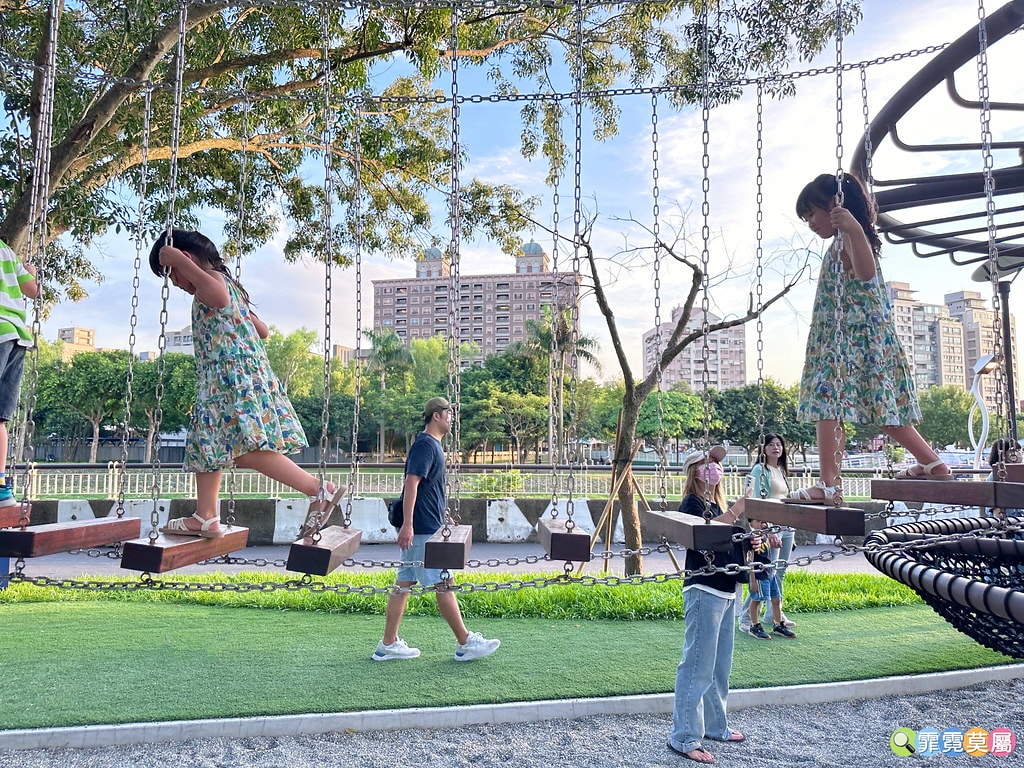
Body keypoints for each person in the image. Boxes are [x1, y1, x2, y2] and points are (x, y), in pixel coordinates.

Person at [148, 229, 341, 538]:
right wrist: (241, 317)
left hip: (227, 381)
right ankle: (207, 515)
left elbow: (218, 297)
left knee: (239, 448)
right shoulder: (230, 289)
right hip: (239, 378)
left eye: (173, 275)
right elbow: (261, 330)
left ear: (185, 259)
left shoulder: (210, 286)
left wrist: (183, 266)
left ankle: (317, 490)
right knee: (205, 443)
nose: (177, 283)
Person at [789, 173, 950, 504]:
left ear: (836, 206)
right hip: (854, 338)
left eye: (811, 213)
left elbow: (864, 273)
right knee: (880, 408)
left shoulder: (849, 236)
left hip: (850, 340)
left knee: (826, 405)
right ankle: (933, 463)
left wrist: (852, 228)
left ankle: (829, 487)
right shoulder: (845, 239)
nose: (809, 223)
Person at [374, 396, 500, 662]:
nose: (452, 418)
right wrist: (408, 524)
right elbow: (411, 484)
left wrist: (443, 516)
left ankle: (388, 643)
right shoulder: (425, 445)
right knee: (444, 582)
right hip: (421, 529)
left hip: (426, 524)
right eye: (449, 413)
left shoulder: (431, 445)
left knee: (403, 584)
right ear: (436, 416)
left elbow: (429, 489)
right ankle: (465, 642)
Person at [669, 445, 757, 764]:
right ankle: (684, 737)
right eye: (708, 463)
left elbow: (728, 540)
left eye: (718, 463)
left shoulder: (714, 503)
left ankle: (716, 726)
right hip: (704, 588)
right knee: (697, 666)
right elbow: (704, 535)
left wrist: (750, 540)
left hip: (725, 589)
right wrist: (738, 510)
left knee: (719, 667)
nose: (715, 468)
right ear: (694, 470)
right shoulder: (692, 503)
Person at [739, 433, 795, 632]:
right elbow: (756, 501)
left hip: (786, 525)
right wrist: (765, 528)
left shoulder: (781, 469)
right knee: (764, 573)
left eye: (779, 444)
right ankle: (746, 618)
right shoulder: (759, 470)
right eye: (771, 444)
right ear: (763, 449)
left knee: (779, 571)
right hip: (769, 527)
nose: (776, 447)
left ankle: (774, 613)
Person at [0, 238, 38, 508]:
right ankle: (1, 489)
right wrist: (31, 273)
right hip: (16, 337)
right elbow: (32, 290)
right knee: (0, 417)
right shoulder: (6, 251)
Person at [743, 516, 796, 640]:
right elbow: (749, 560)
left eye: (765, 521)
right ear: (751, 523)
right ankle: (755, 625)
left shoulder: (766, 535)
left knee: (776, 599)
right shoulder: (751, 538)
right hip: (759, 575)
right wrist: (752, 579)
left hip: (770, 573)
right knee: (757, 600)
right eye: (759, 521)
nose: (763, 524)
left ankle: (778, 624)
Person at [985, 438, 1022, 516]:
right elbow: (997, 513)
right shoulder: (997, 475)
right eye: (1016, 451)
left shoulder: (1019, 473)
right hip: (1010, 520)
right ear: (1003, 454)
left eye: (1019, 450)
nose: (1020, 453)